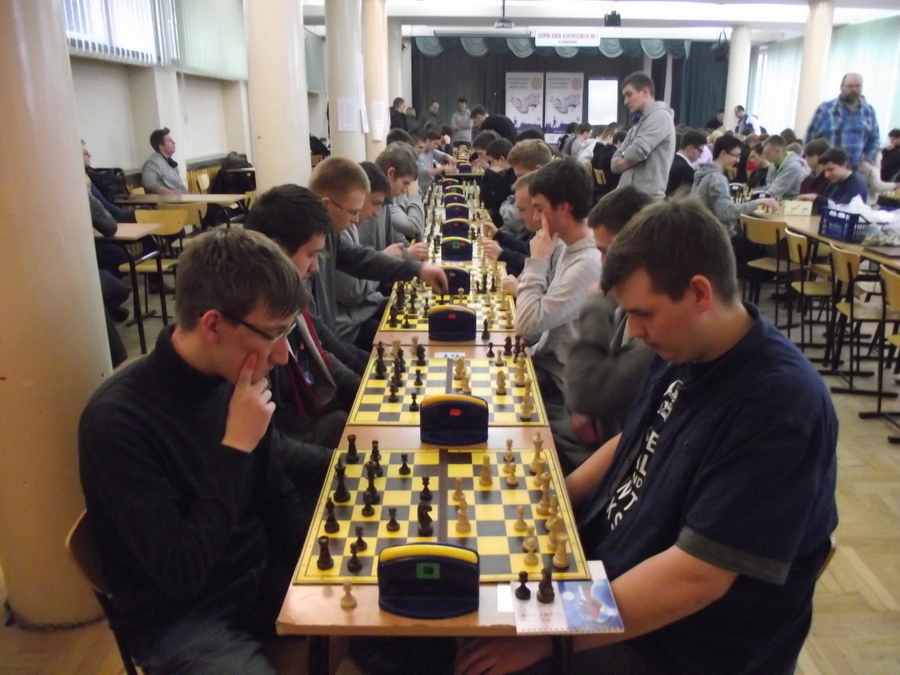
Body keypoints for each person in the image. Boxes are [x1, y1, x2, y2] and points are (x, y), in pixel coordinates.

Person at [456, 198, 838, 675]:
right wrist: (549, 501)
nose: (634, 332)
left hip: (680, 641)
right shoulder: (686, 346)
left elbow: (697, 576)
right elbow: (634, 438)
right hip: (609, 574)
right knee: (456, 598)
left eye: (644, 314)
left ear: (700, 293)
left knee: (474, 658)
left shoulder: (780, 406)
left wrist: (552, 636)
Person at [79, 227, 314, 675]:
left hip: (258, 578)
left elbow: (276, 499)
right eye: (273, 334)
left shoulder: (234, 377)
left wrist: (323, 570)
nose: (283, 355)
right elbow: (180, 574)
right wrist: (235, 448)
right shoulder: (117, 422)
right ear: (212, 325)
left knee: (401, 610)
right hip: (182, 620)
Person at [244, 186, 361, 489]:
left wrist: (366, 387)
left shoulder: (288, 300)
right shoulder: (252, 324)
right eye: (311, 254)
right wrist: (338, 464)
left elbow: (321, 348)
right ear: (276, 250)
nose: (316, 267)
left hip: (312, 425)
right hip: (295, 456)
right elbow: (273, 448)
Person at [560, 186, 655, 472]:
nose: (603, 263)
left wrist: (597, 302)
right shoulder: (626, 294)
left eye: (606, 252)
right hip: (603, 427)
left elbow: (585, 390)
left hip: (620, 453)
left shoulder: (651, 312)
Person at [307, 157, 447, 338]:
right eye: (352, 212)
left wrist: (418, 269)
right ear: (326, 205)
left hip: (339, 332)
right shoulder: (313, 243)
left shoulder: (332, 236)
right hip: (345, 331)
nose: (356, 219)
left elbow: (361, 259)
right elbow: (322, 339)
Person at [516, 158, 603, 403]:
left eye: (540, 209)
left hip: (561, 388)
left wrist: (537, 260)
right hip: (545, 365)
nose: (535, 217)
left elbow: (526, 323)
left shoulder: (587, 264)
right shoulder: (567, 247)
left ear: (563, 208)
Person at [692, 135, 779, 237]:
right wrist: (758, 202)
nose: (738, 160)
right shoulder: (717, 178)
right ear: (723, 154)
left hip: (701, 230)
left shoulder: (703, 172)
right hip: (716, 235)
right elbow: (726, 212)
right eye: (736, 155)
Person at [612, 72, 676, 200]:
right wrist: (628, 157)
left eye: (629, 95)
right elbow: (614, 164)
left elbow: (635, 153)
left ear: (645, 92)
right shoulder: (638, 123)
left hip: (646, 201)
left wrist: (625, 156)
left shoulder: (660, 117)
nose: (625, 101)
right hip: (629, 198)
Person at [805, 73, 880, 172]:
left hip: (855, 172)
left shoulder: (869, 112)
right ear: (841, 87)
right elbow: (810, 138)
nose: (854, 89)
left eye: (857, 86)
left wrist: (868, 160)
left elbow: (874, 140)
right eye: (850, 86)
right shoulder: (825, 109)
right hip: (827, 171)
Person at [380, 142, 426, 241]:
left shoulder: (388, 199)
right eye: (405, 183)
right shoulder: (379, 202)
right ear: (391, 173)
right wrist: (414, 193)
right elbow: (416, 229)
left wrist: (407, 249)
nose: (405, 190)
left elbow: (397, 237)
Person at [799, 147, 868, 212]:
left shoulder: (856, 185)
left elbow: (843, 210)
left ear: (844, 165)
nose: (826, 175)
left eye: (830, 169)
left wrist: (817, 198)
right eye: (825, 171)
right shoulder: (832, 184)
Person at [141, 127, 188, 194]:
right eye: (169, 141)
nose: (174, 142)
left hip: (177, 198)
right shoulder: (153, 163)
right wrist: (171, 193)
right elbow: (148, 182)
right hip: (165, 200)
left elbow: (179, 185)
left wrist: (189, 193)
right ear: (161, 146)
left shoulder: (170, 161)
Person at [480, 138, 516, 225]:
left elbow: (486, 203)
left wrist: (488, 174)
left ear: (502, 160)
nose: (490, 166)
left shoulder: (511, 178)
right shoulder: (505, 175)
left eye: (491, 162)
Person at [761, 134, 805, 199]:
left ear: (777, 151)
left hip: (791, 202)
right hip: (777, 200)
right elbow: (768, 186)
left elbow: (775, 191)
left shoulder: (793, 167)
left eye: (767, 153)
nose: (764, 157)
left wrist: (754, 200)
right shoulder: (773, 163)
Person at [666, 129, 707, 197]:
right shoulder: (686, 170)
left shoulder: (669, 160)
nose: (700, 156)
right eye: (700, 151)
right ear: (690, 148)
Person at [415, 128, 456, 196]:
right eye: (435, 143)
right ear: (428, 141)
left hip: (431, 185)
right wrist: (443, 168)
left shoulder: (430, 150)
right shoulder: (420, 155)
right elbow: (425, 172)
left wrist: (449, 157)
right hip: (424, 189)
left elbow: (441, 155)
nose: (436, 146)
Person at [592, 129, 626, 200]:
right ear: (619, 142)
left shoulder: (605, 152)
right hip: (611, 188)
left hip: (603, 188)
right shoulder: (614, 155)